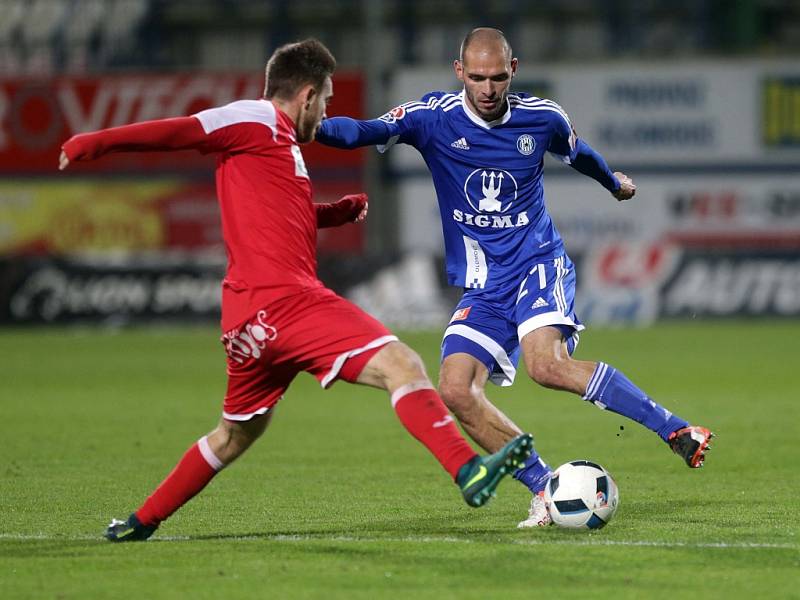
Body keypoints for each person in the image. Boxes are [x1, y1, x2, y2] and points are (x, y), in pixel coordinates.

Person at [59, 38, 534, 542]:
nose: (326, 112)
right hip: (285, 301)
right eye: (326, 101)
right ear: (307, 96)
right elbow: (178, 131)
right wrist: (91, 143)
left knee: (235, 433)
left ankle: (140, 522)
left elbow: (281, 219)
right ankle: (468, 470)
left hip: (247, 321)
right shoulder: (254, 118)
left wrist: (333, 214)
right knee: (403, 365)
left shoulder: (277, 145)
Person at [316, 28, 714, 528]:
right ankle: (545, 489)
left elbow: (579, 152)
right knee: (456, 390)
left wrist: (614, 183)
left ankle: (675, 430)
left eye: (497, 77)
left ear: (514, 70)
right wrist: (298, 123)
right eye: (477, 77)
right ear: (459, 72)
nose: (487, 88)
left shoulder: (541, 118)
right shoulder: (431, 119)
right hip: (485, 283)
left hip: (537, 262)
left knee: (545, 367)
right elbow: (360, 131)